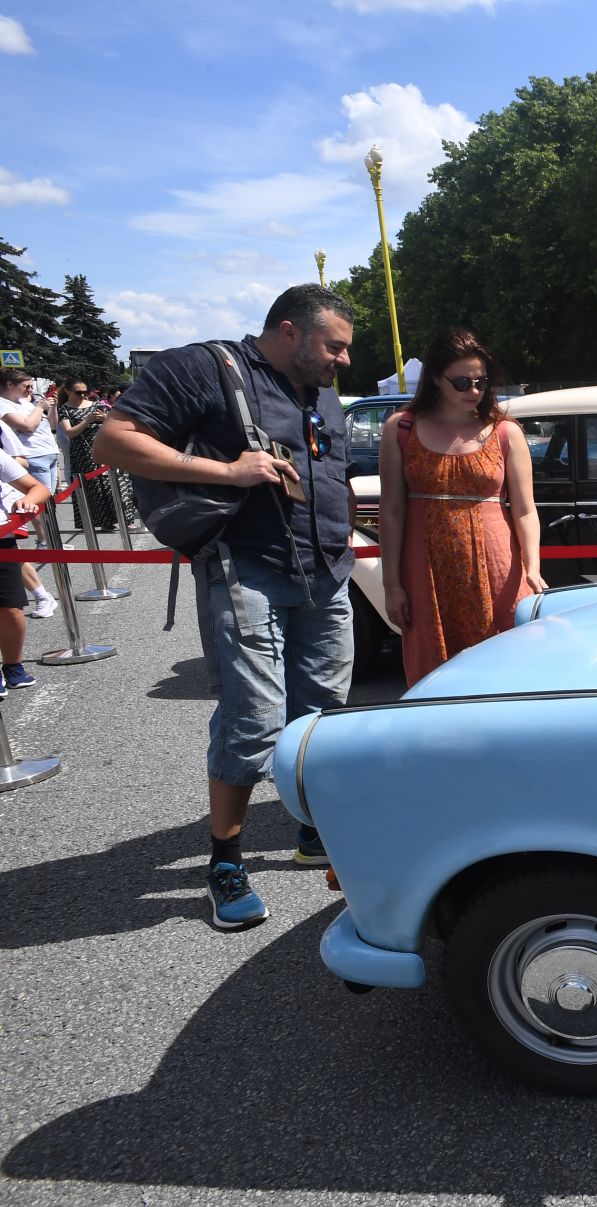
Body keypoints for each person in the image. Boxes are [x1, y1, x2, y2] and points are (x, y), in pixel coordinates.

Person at [94, 284, 357, 931]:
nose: (344, 360)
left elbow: (332, 472)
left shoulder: (320, 389)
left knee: (323, 715)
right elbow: (111, 443)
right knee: (254, 721)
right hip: (248, 573)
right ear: (289, 331)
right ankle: (224, 862)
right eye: (336, 346)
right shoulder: (207, 368)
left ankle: (310, 831)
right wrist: (228, 473)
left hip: (326, 574)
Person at [380, 327, 543, 686]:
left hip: (496, 565)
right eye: (462, 383)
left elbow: (525, 509)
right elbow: (391, 511)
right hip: (425, 570)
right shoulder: (401, 429)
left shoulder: (504, 431)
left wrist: (532, 568)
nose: (474, 391)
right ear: (436, 378)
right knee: (433, 669)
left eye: (481, 382)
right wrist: (392, 585)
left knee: (504, 661)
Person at [0, 383, 58, 619]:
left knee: (9, 557)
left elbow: (20, 460)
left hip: (8, 496)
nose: (30, 389)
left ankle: (42, 595)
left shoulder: (5, 421)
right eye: (26, 385)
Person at [0, 449, 52, 695]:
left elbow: (39, 488)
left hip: (1, 538)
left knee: (11, 609)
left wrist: (28, 499)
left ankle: (12, 665)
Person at [57, 377, 126, 534]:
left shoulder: (96, 405)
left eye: (85, 392)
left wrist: (105, 418)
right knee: (92, 487)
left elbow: (115, 425)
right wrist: (87, 420)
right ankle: (96, 521)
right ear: (67, 391)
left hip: (102, 448)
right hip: (82, 452)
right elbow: (70, 433)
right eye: (78, 392)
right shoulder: (64, 409)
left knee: (110, 484)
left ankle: (117, 520)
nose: (83, 396)